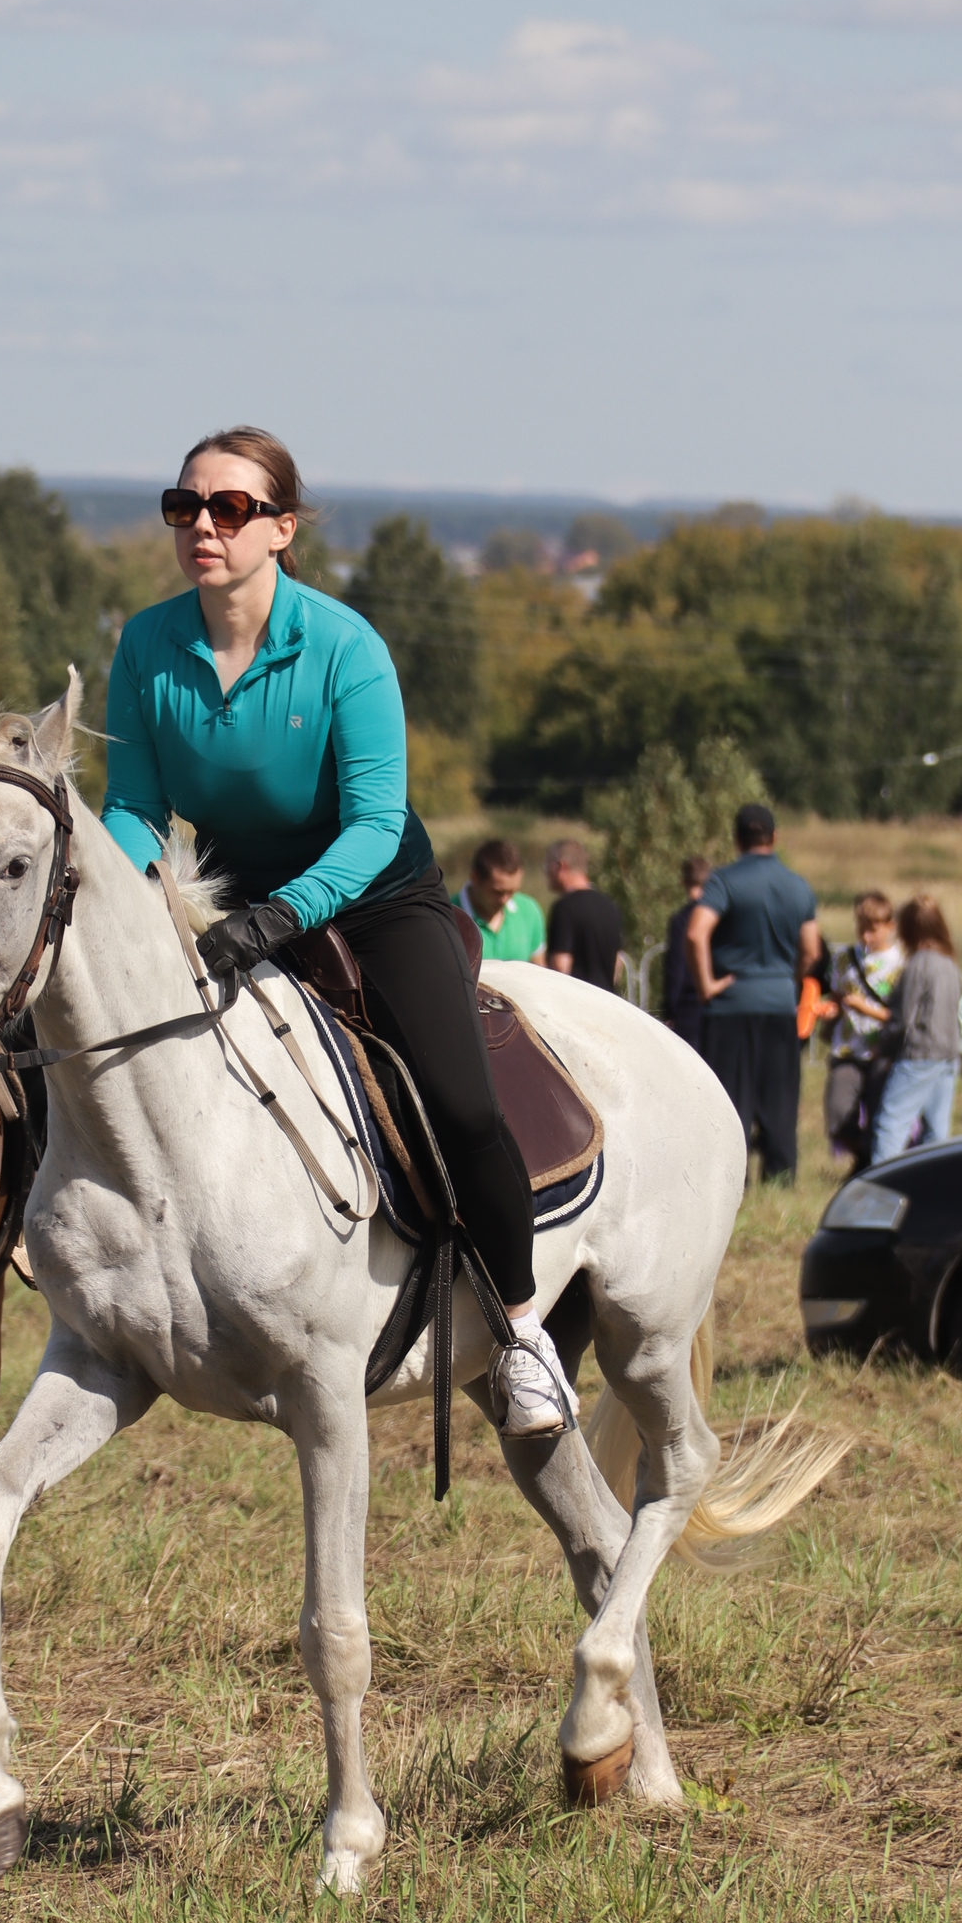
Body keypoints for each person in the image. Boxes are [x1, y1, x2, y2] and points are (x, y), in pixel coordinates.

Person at [101, 424, 575, 1438]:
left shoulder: (345, 645)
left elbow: (370, 823)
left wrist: (281, 913)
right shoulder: (145, 643)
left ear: (281, 528)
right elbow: (135, 806)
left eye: (230, 509)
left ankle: (526, 1328)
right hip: (224, 890)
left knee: (458, 1100)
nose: (202, 527)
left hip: (373, 892)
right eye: (185, 507)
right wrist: (125, 888)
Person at [687, 804, 820, 1182]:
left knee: (731, 1099)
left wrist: (706, 985)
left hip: (730, 1004)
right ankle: (780, 1178)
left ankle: (732, 1179)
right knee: (780, 1099)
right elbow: (811, 949)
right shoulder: (798, 885)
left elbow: (696, 932)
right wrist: (787, 980)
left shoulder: (723, 881)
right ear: (774, 837)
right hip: (779, 1003)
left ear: (737, 838)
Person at [871, 898, 961, 1162]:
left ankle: (881, 1185)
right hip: (948, 1054)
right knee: (937, 1130)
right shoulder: (949, 963)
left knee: (890, 1121)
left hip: (920, 1054)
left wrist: (884, 1047)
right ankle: (934, 1185)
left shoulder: (918, 964)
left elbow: (902, 1018)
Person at [825, 891, 903, 1170]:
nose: (866, 936)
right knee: (838, 1112)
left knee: (880, 1117)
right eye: (862, 928)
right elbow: (836, 997)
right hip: (847, 1048)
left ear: (890, 926)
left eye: (873, 929)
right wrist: (829, 1011)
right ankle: (859, 1155)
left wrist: (864, 1008)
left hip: (883, 1051)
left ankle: (870, 1167)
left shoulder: (902, 963)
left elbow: (901, 1016)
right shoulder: (845, 958)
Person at [543, 840, 624, 991]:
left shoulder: (564, 908)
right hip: (607, 1001)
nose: (546, 873)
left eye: (547, 866)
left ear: (561, 866)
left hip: (575, 1004)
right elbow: (617, 966)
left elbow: (560, 964)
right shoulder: (610, 907)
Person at [454, 839, 547, 965]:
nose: (505, 899)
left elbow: (540, 974)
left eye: (512, 892)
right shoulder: (447, 915)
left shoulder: (529, 911)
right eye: (497, 892)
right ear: (475, 879)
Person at [661, 856, 709, 1047]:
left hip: (688, 1008)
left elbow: (676, 968)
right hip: (718, 1007)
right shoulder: (719, 918)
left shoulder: (682, 920)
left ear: (684, 882)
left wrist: (670, 1009)